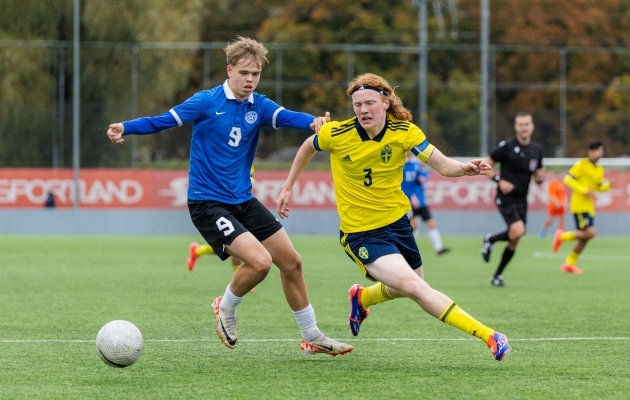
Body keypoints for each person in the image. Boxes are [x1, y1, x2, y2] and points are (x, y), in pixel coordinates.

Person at [106, 36, 352, 356]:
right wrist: (125, 127)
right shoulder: (206, 101)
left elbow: (289, 117)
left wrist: (315, 123)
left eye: (256, 74)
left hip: (243, 200)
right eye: (244, 73)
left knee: (292, 262)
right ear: (230, 70)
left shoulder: (259, 105)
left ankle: (311, 336)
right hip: (208, 202)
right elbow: (162, 121)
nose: (250, 80)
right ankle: (226, 306)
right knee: (261, 263)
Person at [276, 73, 511, 361]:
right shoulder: (336, 133)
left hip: (398, 225)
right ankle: (489, 335)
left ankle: (362, 297)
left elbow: (443, 165)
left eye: (370, 103)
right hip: (361, 233)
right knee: (414, 286)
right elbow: (308, 146)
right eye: (358, 104)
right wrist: (288, 186)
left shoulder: (405, 132)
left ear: (386, 102)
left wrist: (465, 168)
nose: (363, 110)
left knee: (406, 287)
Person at [481, 112, 545, 287]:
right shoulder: (506, 146)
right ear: (516, 127)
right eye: (520, 125)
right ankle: (490, 240)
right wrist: (498, 180)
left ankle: (497, 275)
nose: (524, 128)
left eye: (526, 124)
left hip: (522, 199)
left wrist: (540, 178)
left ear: (532, 126)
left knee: (516, 237)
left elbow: (538, 175)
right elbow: (486, 167)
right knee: (518, 231)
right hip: (506, 197)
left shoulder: (537, 149)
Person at [188, 165, 257, 293]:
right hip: (223, 206)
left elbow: (248, 182)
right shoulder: (223, 159)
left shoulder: (246, 161)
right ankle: (242, 280)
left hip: (238, 204)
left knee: (230, 245)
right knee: (236, 243)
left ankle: (198, 250)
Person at [552, 140, 611, 274]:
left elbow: (598, 187)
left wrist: (608, 186)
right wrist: (584, 191)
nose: (599, 154)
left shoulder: (599, 170)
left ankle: (569, 264)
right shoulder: (581, 164)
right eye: (597, 150)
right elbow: (568, 179)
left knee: (585, 237)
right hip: (579, 206)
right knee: (591, 233)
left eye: (601, 151)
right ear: (590, 151)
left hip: (589, 207)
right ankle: (561, 236)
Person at [402, 152, 451, 255]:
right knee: (412, 225)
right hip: (407, 201)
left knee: (431, 223)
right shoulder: (400, 164)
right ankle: (407, 249)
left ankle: (439, 248)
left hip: (421, 201)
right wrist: (411, 197)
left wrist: (423, 175)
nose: (409, 151)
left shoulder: (417, 164)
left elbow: (424, 177)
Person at [539, 172, 567, 237]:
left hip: (561, 204)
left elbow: (564, 194)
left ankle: (560, 232)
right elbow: (551, 194)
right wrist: (555, 201)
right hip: (554, 204)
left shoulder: (562, 184)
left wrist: (565, 202)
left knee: (562, 218)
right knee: (551, 218)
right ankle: (543, 230)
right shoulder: (552, 183)